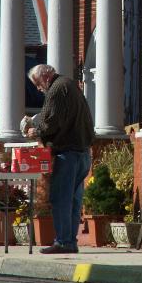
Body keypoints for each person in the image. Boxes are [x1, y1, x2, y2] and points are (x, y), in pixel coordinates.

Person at [25, 64, 95, 254]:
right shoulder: (70, 85)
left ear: (46, 77)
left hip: (68, 153)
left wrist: (35, 130)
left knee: (61, 199)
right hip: (83, 152)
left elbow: (52, 122)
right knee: (73, 200)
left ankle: (63, 242)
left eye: (38, 84)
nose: (38, 89)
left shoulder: (56, 89)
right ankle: (70, 241)